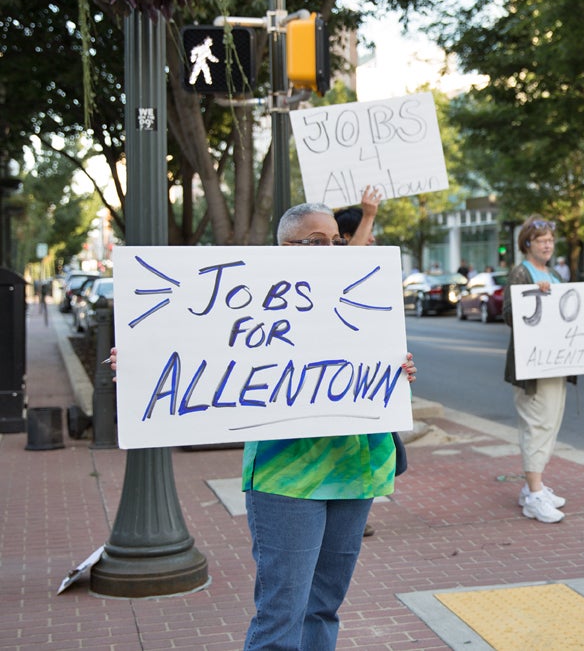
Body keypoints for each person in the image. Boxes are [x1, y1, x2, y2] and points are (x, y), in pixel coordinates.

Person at [112, 202, 419, 651]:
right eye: (317, 242)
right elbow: (197, 348)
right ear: (284, 247)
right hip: (287, 478)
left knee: (323, 607)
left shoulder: (357, 294)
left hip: (356, 469)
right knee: (282, 614)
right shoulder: (254, 295)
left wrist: (400, 372)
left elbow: (373, 366)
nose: (332, 250)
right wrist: (142, 364)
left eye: (336, 241)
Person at [502, 215, 584, 523]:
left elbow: (569, 308)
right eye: (542, 240)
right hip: (534, 368)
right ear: (527, 244)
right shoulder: (521, 273)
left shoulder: (553, 274)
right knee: (537, 426)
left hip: (555, 364)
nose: (548, 245)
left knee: (549, 425)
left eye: (550, 240)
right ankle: (534, 495)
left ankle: (533, 487)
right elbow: (510, 315)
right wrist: (533, 295)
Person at [334, 188, 407, 540]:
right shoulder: (338, 274)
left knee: (374, 452)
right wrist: (368, 214)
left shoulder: (372, 279)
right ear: (344, 239)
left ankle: (354, 515)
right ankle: (349, 517)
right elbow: (349, 262)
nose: (372, 242)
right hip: (343, 381)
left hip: (365, 380)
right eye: (366, 236)